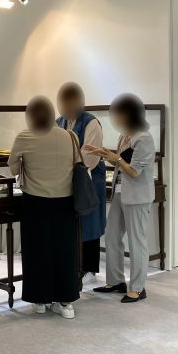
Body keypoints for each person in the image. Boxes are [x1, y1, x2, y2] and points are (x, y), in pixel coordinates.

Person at [8, 96, 81, 319]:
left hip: (35, 202)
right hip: (65, 202)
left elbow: (13, 168)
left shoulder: (25, 136)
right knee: (64, 251)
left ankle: (39, 299)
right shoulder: (69, 136)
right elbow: (76, 163)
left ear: (30, 116)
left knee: (37, 251)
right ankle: (66, 302)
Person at [88, 94, 155, 303]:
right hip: (119, 192)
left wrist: (115, 158)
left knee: (136, 241)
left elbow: (134, 171)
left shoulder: (144, 138)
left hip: (137, 196)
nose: (116, 118)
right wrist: (105, 154)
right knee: (111, 236)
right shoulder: (125, 135)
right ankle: (116, 281)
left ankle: (138, 288)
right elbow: (120, 162)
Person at [56, 82, 106, 285]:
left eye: (71, 103)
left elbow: (90, 156)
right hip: (67, 179)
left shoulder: (91, 122)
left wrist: (68, 162)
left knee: (90, 221)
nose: (67, 107)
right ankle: (74, 265)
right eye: (64, 103)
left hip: (89, 179)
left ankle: (89, 268)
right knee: (72, 224)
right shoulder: (58, 122)